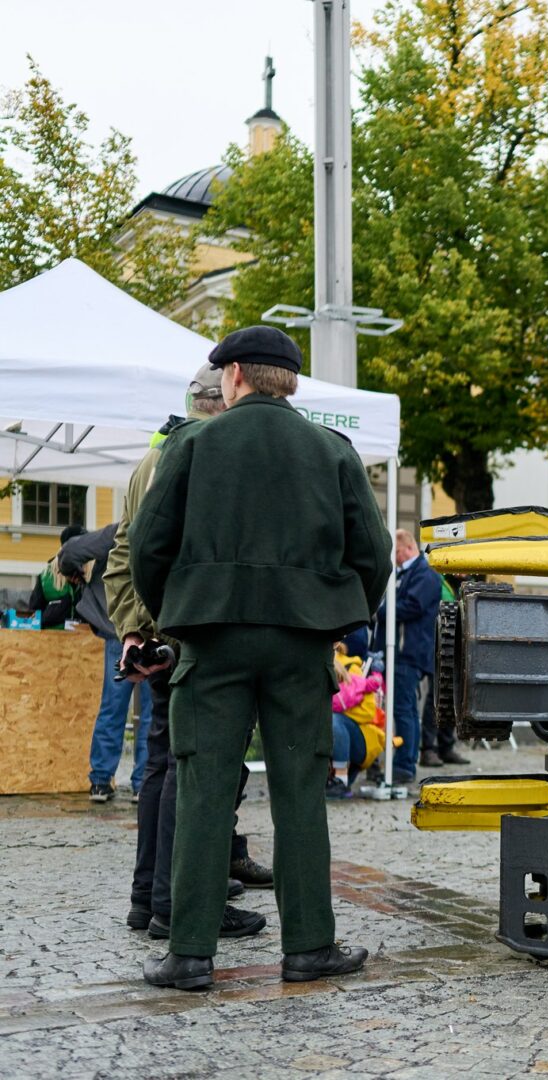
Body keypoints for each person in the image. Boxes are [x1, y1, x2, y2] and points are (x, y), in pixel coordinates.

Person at [131, 325, 392, 991]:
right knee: (300, 792)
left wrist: (176, 616)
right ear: (291, 382)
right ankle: (308, 947)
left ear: (236, 374)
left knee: (203, 789)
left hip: (210, 639)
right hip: (299, 641)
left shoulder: (192, 443)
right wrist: (337, 617)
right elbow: (371, 551)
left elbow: (148, 548)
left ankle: (189, 955)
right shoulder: (331, 449)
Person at [105, 365, 271, 940]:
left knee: (161, 763)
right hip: (189, 635)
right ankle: (179, 902)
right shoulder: (197, 452)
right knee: (197, 768)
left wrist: (135, 629)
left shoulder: (153, 456)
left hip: (157, 634)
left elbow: (123, 552)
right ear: (221, 400)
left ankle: (148, 897)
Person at [61, 522, 155, 802]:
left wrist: (73, 573)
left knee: (113, 706)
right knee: (151, 710)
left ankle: (102, 781)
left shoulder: (121, 529)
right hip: (153, 627)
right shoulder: (163, 522)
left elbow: (70, 551)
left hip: (122, 626)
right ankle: (143, 783)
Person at [378, 530, 445, 782]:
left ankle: (405, 765)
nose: (393, 558)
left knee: (404, 710)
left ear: (406, 548)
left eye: (394, 552)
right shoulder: (409, 573)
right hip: (404, 651)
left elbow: (412, 607)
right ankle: (402, 762)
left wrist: (382, 611)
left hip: (408, 652)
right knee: (402, 710)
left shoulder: (424, 574)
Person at [417, 575, 469, 767]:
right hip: (438, 645)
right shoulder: (437, 580)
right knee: (436, 698)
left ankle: (446, 747)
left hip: (456, 646)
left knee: (453, 696)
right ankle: (428, 749)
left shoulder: (462, 585)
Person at [330, 647, 386, 797]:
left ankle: (340, 780)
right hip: (338, 738)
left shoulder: (352, 668)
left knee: (334, 721)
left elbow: (368, 713)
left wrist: (341, 710)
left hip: (363, 741)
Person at [26, 523, 85, 629]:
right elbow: (34, 612)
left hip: (87, 639)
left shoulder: (94, 574)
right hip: (52, 639)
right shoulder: (46, 576)